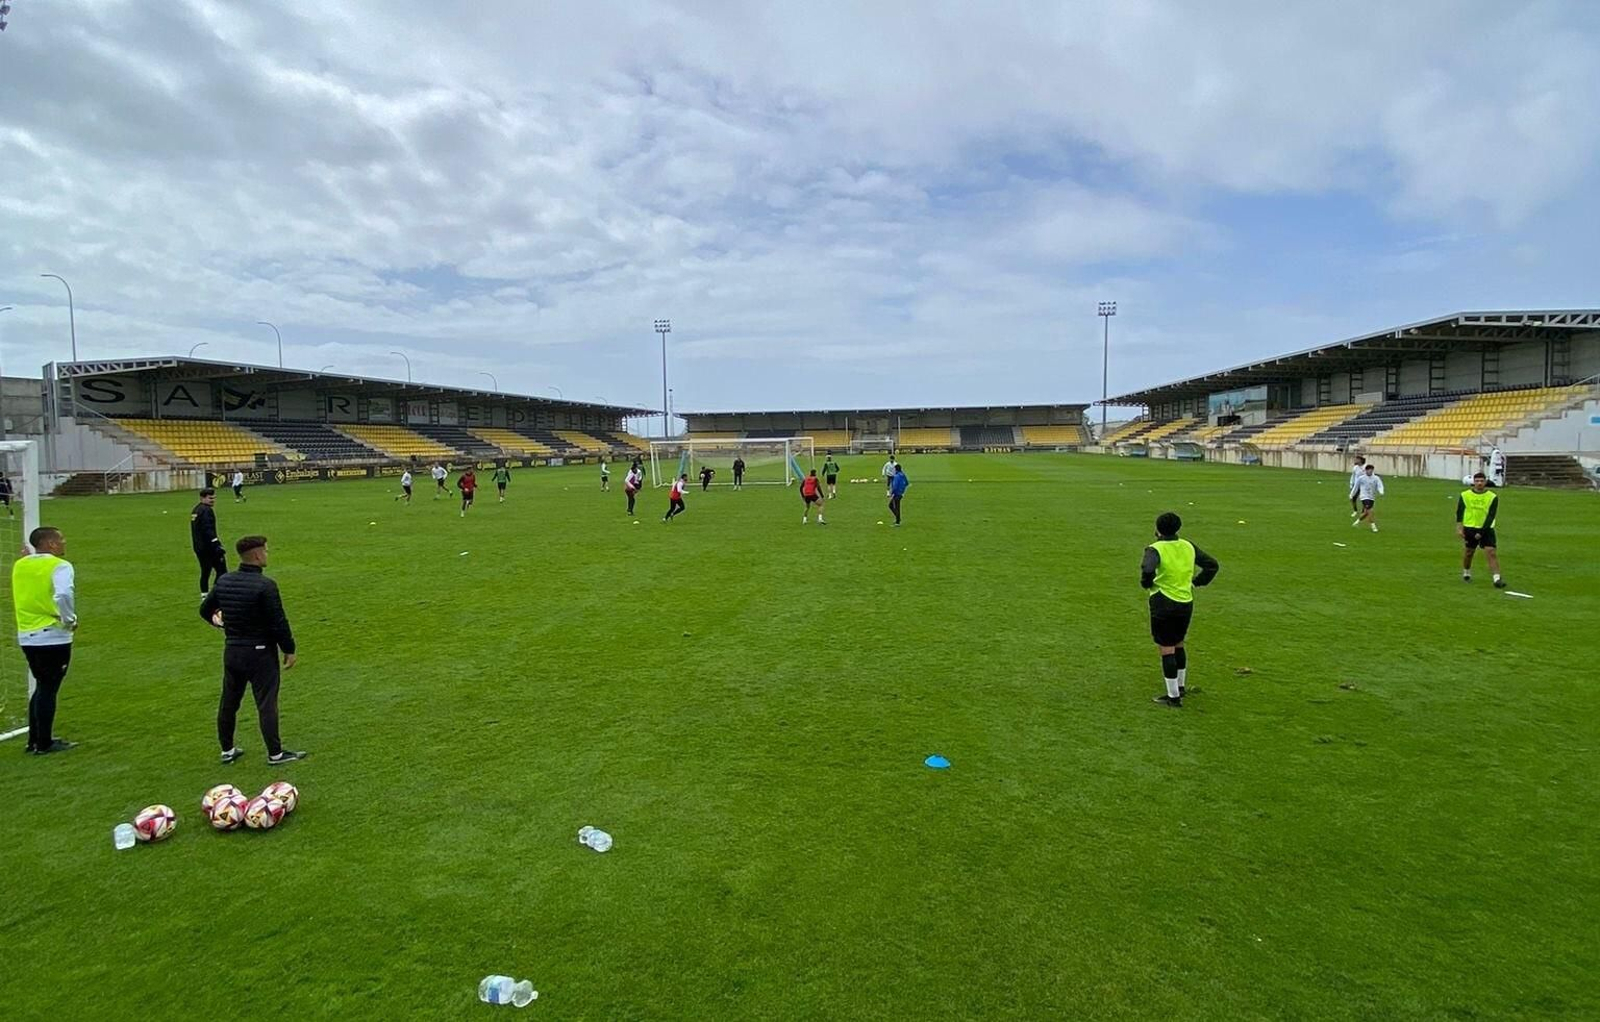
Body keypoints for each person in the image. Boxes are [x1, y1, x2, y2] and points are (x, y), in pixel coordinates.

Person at [199, 535, 304, 765]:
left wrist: (220, 623)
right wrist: (289, 648)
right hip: (260, 653)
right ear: (257, 555)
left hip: (233, 650)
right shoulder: (265, 586)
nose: (267, 554)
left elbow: (205, 609)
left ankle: (227, 750)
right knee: (266, 702)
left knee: (229, 700)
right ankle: (275, 754)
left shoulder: (225, 581)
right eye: (265, 551)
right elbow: (278, 622)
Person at [1140, 512, 1220, 708]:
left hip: (1162, 601)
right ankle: (1181, 686)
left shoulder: (1154, 549)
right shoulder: (1187, 545)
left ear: (1157, 529)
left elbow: (1148, 569)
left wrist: (1146, 583)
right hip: (1185, 601)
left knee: (1166, 647)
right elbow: (1212, 565)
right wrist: (1196, 582)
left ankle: (1173, 697)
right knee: (1178, 642)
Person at [13, 526, 78, 754]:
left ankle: (34, 740)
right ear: (50, 544)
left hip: (26, 634)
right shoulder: (60, 566)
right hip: (52, 634)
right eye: (60, 539)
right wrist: (69, 619)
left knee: (41, 686)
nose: (64, 542)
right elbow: (62, 594)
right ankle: (44, 743)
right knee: (48, 688)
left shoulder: (21, 564)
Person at [1457, 471, 1506, 588]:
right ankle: (1466, 572)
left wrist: (1481, 532)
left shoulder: (1492, 497)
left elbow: (1491, 515)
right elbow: (1460, 511)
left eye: (1482, 481)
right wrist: (1459, 527)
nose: (1479, 483)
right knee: (1469, 552)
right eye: (1477, 481)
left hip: (1486, 529)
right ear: (1473, 482)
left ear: (1485, 482)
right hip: (1470, 528)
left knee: (1491, 552)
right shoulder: (1465, 495)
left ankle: (1497, 579)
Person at [191, 487, 227, 594]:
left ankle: (204, 596)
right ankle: (215, 595)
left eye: (214, 498)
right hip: (209, 548)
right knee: (222, 570)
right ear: (202, 498)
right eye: (210, 498)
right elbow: (208, 529)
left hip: (199, 547)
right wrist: (216, 544)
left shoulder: (196, 509)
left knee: (205, 572)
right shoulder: (207, 510)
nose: (213, 500)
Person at [1351, 464, 1384, 532]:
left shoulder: (1376, 478)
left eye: (1371, 470)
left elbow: (1380, 485)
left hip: (1371, 497)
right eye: (1368, 470)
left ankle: (1356, 522)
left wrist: (1381, 491)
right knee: (1370, 511)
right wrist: (1352, 494)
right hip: (1364, 496)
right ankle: (1373, 526)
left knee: (1366, 512)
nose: (1370, 472)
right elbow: (1356, 487)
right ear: (1366, 470)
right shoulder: (1361, 478)